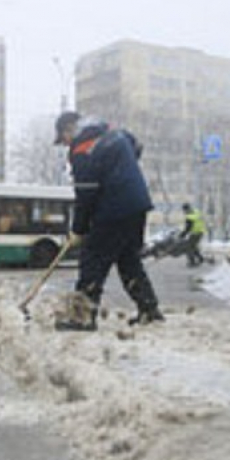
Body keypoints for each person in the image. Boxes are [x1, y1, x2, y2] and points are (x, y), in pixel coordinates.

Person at [53, 111, 163, 330]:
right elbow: (136, 146)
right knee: (128, 259)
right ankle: (149, 309)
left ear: (69, 130)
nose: (66, 145)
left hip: (113, 209)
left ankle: (82, 317)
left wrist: (79, 229)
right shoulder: (113, 132)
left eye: (63, 139)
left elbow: (86, 194)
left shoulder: (82, 149)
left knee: (92, 259)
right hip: (137, 204)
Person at [180, 203, 206, 267]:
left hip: (195, 233)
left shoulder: (189, 217)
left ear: (186, 209)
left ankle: (192, 262)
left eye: (184, 210)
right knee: (193, 246)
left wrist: (182, 235)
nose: (184, 212)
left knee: (188, 246)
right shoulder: (196, 212)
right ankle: (200, 258)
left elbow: (188, 228)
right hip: (201, 231)